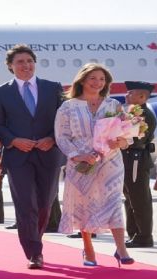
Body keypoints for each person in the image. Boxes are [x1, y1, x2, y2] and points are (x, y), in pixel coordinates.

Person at [0, 44, 64, 269]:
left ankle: (36, 240)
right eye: (20, 62)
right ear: (11, 67)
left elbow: (63, 121)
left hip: (48, 154)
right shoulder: (1, 92)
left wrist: (52, 138)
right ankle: (34, 252)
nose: (26, 65)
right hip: (18, 156)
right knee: (25, 205)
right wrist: (13, 140)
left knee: (44, 204)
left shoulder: (53, 88)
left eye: (29, 61)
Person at [55, 63, 134, 267]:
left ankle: (121, 249)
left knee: (114, 200)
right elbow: (62, 137)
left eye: (102, 79)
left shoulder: (113, 105)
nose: (98, 83)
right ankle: (88, 249)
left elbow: (127, 135)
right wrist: (78, 155)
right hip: (82, 161)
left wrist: (121, 142)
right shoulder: (68, 107)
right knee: (84, 203)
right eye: (93, 78)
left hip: (110, 160)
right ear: (82, 80)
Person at [121, 81, 157, 248]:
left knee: (139, 199)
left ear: (142, 97)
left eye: (130, 93)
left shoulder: (142, 114)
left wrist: (119, 138)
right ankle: (134, 233)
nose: (126, 95)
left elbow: (136, 137)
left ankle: (144, 235)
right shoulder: (131, 112)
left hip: (136, 159)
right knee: (130, 198)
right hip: (127, 158)